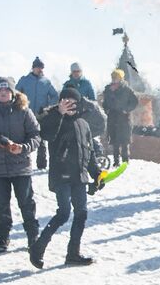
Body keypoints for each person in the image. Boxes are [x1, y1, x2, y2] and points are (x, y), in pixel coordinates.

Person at [31, 87, 105, 268]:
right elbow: (46, 134)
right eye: (66, 101)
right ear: (60, 102)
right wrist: (58, 113)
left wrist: (96, 174)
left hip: (79, 176)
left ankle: (73, 253)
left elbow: (89, 152)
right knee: (64, 213)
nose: (70, 105)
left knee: (81, 213)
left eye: (74, 102)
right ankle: (38, 247)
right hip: (61, 175)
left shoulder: (83, 124)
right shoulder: (54, 119)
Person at [0, 76, 42, 254]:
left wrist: (23, 148)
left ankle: (33, 236)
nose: (3, 93)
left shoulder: (24, 110)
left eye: (6, 90)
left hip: (21, 166)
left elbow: (36, 135)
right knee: (1, 204)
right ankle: (3, 237)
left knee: (26, 203)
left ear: (13, 93)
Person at [16, 57, 58, 170]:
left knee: (41, 139)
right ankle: (22, 162)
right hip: (25, 114)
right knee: (23, 138)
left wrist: (47, 107)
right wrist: (21, 106)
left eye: (41, 67)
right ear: (33, 68)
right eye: (38, 67)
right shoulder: (24, 80)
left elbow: (55, 96)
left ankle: (41, 165)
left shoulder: (46, 82)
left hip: (41, 115)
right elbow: (16, 94)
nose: (40, 69)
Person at [100, 69, 138, 167]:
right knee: (115, 141)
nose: (114, 79)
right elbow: (105, 103)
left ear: (121, 78)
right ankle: (116, 161)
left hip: (124, 118)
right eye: (113, 77)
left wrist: (127, 109)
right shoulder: (108, 89)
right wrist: (107, 110)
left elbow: (134, 102)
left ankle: (125, 161)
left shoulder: (127, 89)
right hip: (112, 118)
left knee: (124, 141)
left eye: (116, 77)